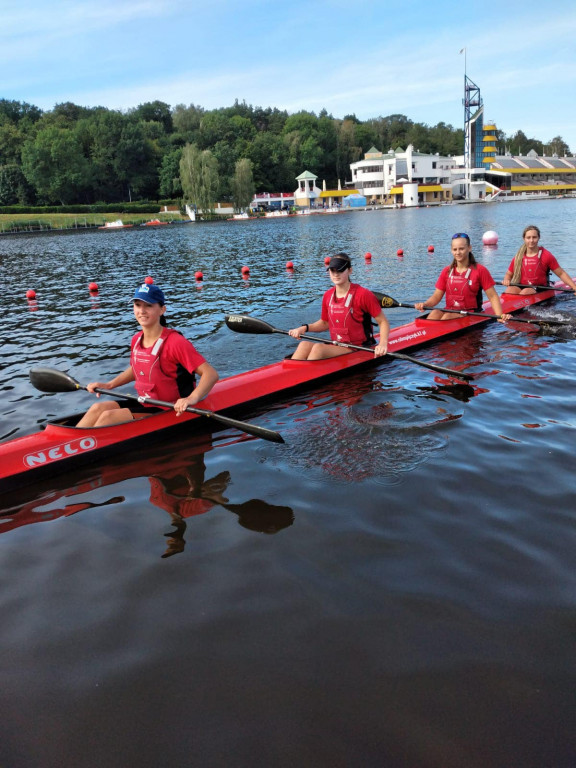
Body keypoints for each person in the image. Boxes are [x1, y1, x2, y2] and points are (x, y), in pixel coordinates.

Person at [76, 283, 219, 428]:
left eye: (148, 305)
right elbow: (138, 368)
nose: (142, 311)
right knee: (97, 408)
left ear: (162, 310)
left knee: (109, 417)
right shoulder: (136, 339)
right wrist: (109, 385)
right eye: (138, 305)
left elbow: (210, 374)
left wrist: (191, 399)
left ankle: (85, 447)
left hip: (171, 408)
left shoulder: (175, 342)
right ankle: (69, 444)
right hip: (147, 402)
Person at [288, 253, 389, 360]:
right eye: (333, 270)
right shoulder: (328, 295)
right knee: (304, 345)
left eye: (340, 270)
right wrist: (304, 328)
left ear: (350, 270)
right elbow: (325, 323)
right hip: (337, 345)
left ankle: (308, 374)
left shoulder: (363, 294)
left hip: (359, 347)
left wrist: (382, 344)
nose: (336, 274)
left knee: (318, 348)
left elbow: (383, 322)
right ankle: (292, 374)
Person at [415, 233, 511, 322]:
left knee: (446, 317)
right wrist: (425, 304)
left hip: (471, 313)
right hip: (451, 310)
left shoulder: (480, 270)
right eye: (455, 249)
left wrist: (499, 316)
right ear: (451, 250)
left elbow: (493, 296)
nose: (458, 252)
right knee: (434, 313)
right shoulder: (446, 271)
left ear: (469, 248)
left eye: (461, 249)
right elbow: (436, 296)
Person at [502, 225, 576, 295]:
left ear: (539, 238)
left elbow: (561, 273)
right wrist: (506, 280)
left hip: (539, 287)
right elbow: (509, 274)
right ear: (524, 238)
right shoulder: (518, 256)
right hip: (521, 285)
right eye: (528, 238)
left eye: (534, 237)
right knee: (509, 290)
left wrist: (574, 287)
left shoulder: (546, 255)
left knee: (525, 292)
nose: (531, 240)